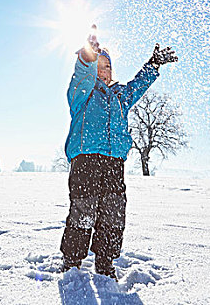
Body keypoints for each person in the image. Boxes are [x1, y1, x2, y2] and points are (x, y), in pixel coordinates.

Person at [60, 26, 178, 279]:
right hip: (86, 158)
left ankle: (105, 261)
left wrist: (153, 64)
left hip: (114, 161)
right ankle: (72, 261)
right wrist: (88, 55)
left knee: (113, 212)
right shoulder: (83, 93)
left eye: (108, 67)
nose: (103, 71)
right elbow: (81, 72)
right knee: (84, 210)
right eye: (99, 66)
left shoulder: (120, 96)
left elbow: (139, 85)